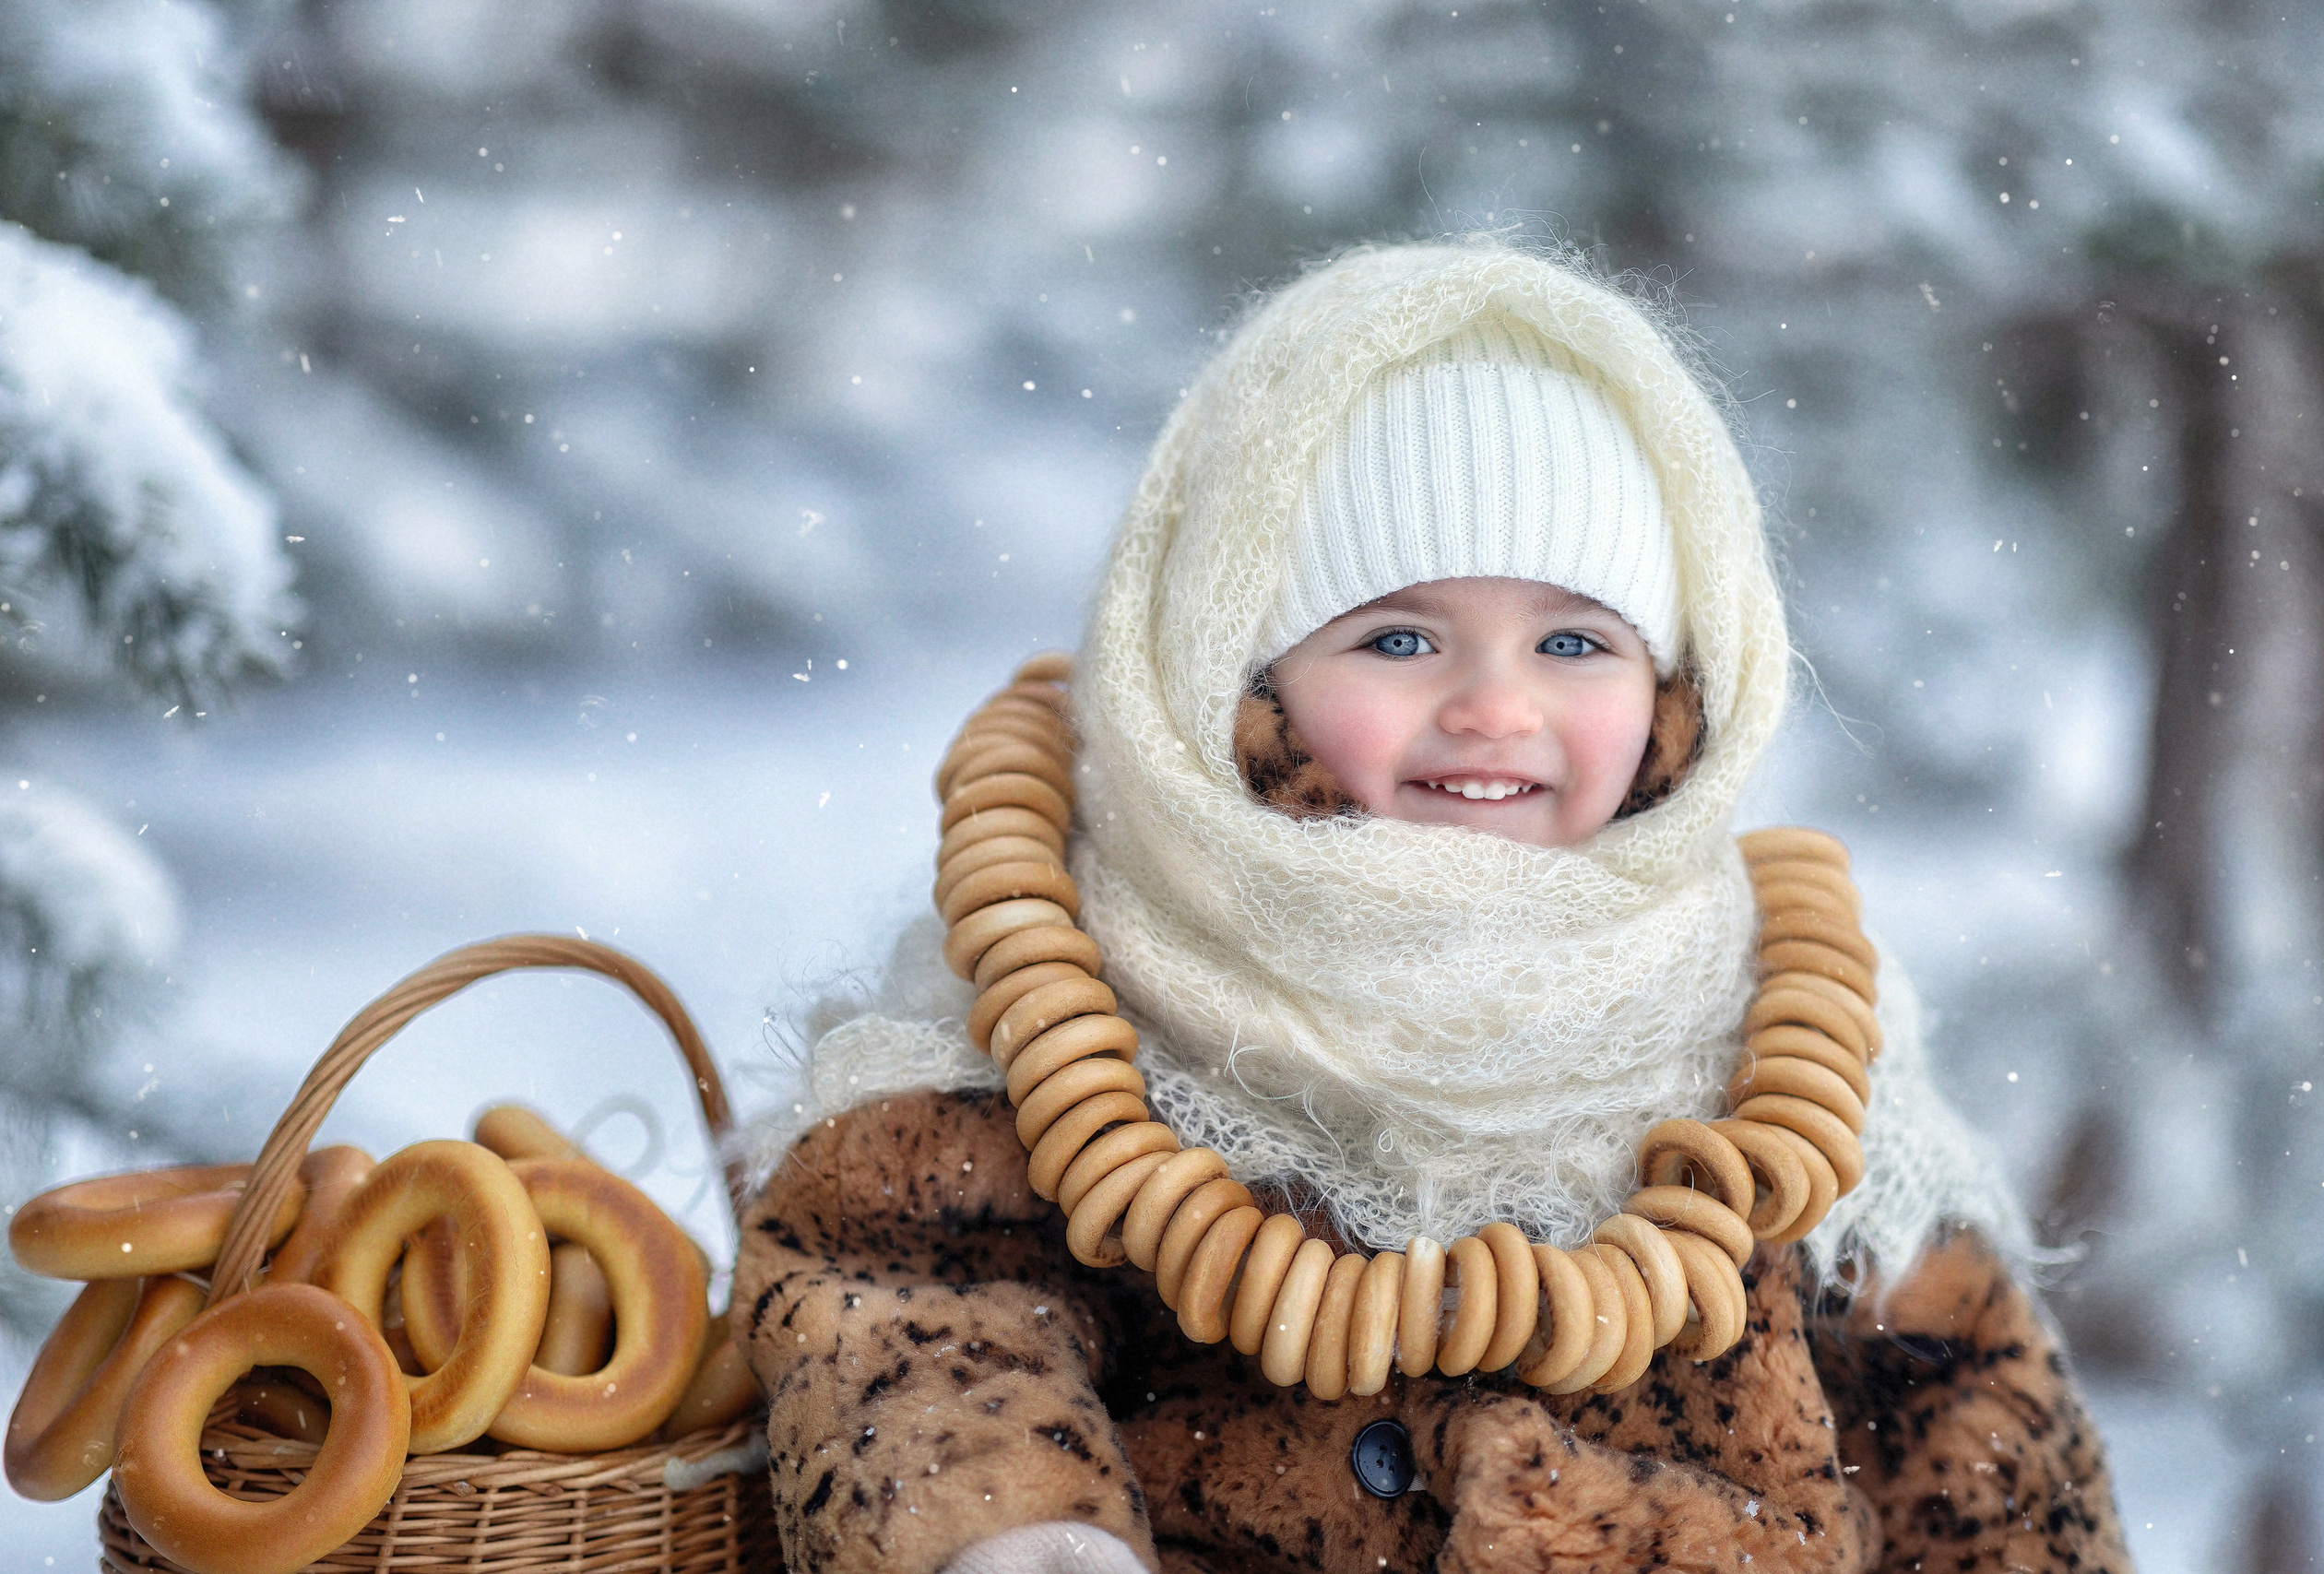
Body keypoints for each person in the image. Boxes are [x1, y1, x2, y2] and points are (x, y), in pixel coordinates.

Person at [729, 239, 2133, 1573]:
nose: (1495, 707)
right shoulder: (1081, 981)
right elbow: (901, 1283)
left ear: (1675, 695)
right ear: (1240, 674)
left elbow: (1969, 1424)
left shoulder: (1780, 1030)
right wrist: (1020, 1523)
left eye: (1575, 641)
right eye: (1400, 637)